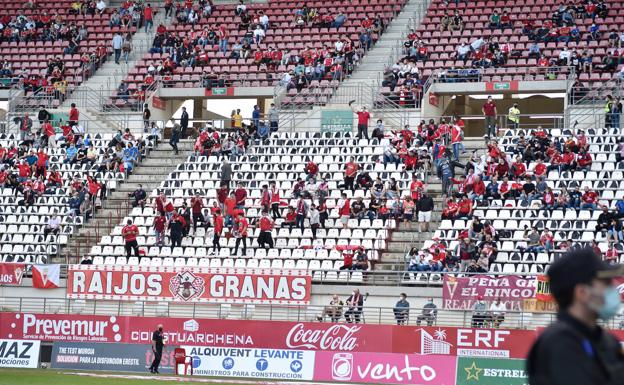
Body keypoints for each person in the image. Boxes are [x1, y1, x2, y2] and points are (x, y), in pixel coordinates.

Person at [527, 248, 624, 385]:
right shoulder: (559, 344)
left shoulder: (607, 340)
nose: (614, 289)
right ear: (582, 293)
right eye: (606, 283)